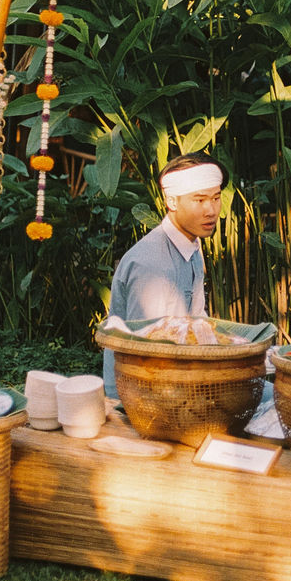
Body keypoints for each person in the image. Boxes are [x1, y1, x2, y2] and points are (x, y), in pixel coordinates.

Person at [102, 153, 227, 399]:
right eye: (199, 200)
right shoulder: (152, 266)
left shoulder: (191, 247)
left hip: (181, 377)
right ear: (172, 201)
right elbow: (147, 357)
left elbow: (198, 322)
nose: (211, 210)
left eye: (216, 198)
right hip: (144, 395)